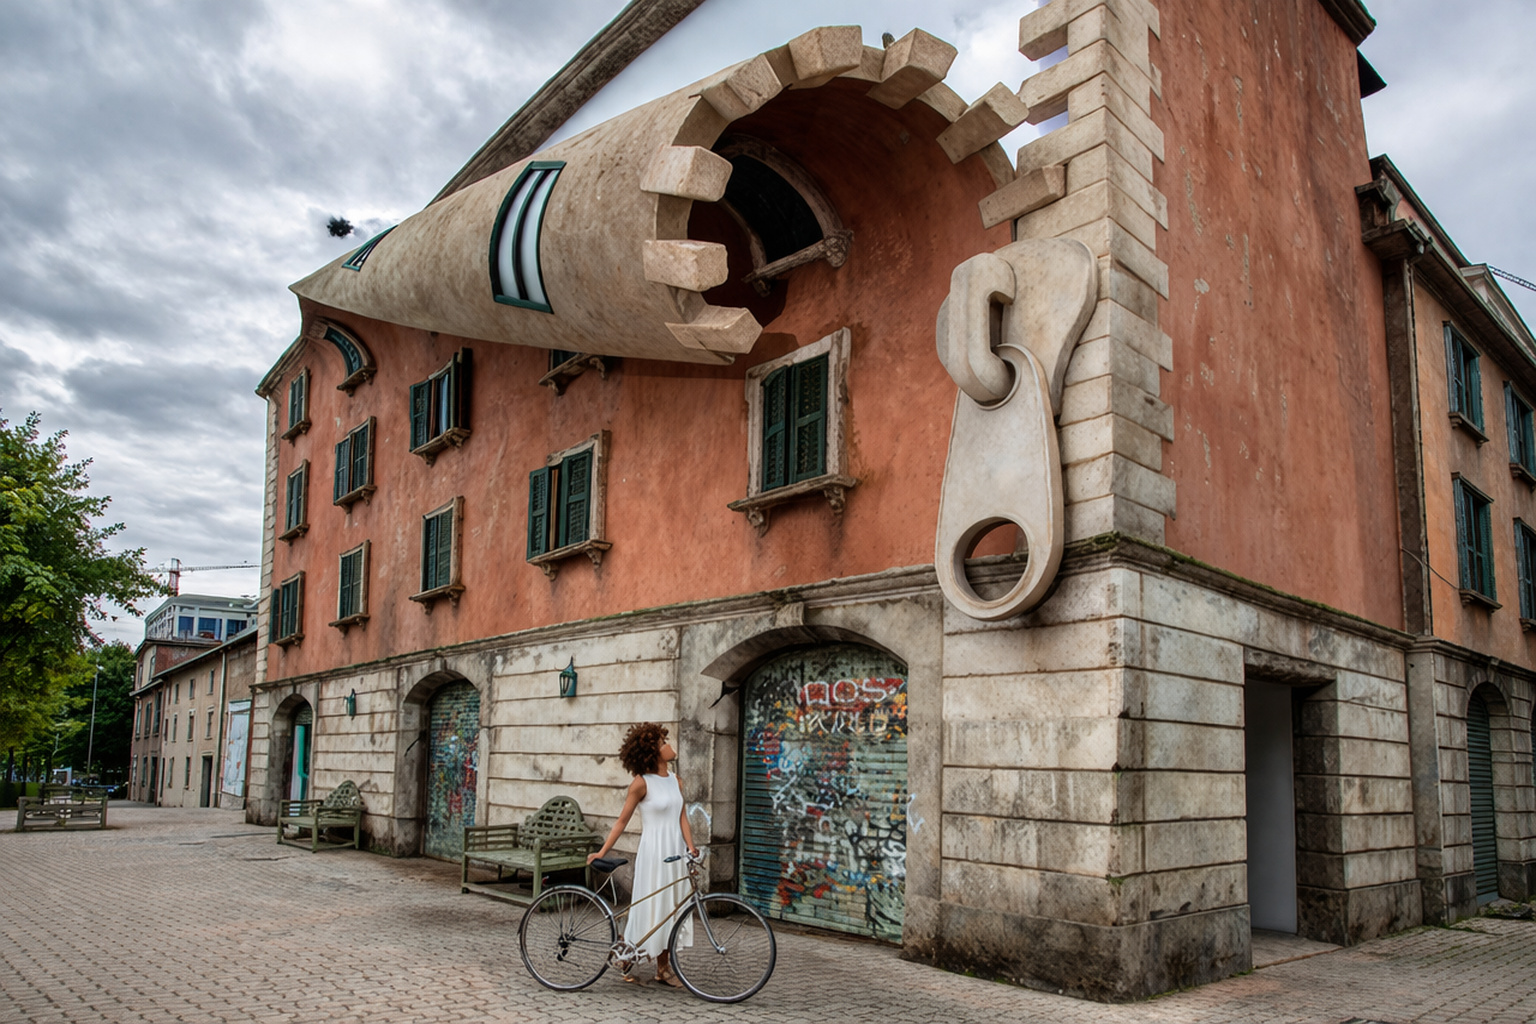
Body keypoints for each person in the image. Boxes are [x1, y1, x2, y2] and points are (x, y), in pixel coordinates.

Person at [587, 722, 699, 987]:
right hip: (654, 853)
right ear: (652, 751)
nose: (669, 746)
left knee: (672, 908)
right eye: (662, 742)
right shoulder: (641, 784)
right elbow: (621, 822)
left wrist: (691, 847)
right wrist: (602, 851)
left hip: (675, 851)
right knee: (653, 907)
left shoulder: (676, 781)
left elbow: (682, 817)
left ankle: (661, 968)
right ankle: (635, 955)